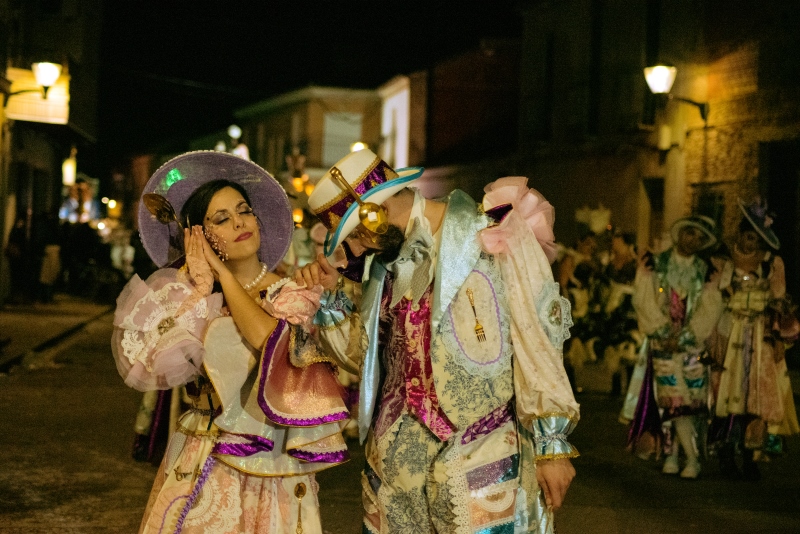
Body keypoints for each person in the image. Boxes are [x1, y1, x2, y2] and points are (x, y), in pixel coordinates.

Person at [296, 149, 578, 533]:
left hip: (483, 450)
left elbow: (536, 338)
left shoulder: (494, 233)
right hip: (397, 467)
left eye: (357, 234)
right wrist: (330, 300)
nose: (357, 249)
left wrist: (552, 444)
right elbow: (366, 359)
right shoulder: (382, 267)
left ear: (375, 213)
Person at [111, 151, 350, 533]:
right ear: (199, 236)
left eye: (244, 211)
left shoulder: (292, 291)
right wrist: (198, 291)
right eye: (221, 218)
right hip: (198, 446)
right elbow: (156, 363)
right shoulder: (193, 296)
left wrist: (223, 275)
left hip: (268, 455)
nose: (240, 222)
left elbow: (267, 339)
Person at [709, 198, 799, 480]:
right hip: (731, 333)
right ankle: (726, 455)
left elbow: (778, 300)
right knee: (728, 395)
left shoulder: (771, 264)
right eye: (748, 237)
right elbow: (713, 300)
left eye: (757, 240)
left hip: (759, 336)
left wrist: (778, 332)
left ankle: (750, 457)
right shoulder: (723, 263)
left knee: (755, 398)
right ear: (740, 235)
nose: (751, 244)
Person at [627, 215, 722, 479]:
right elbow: (643, 299)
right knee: (672, 399)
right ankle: (682, 456)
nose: (693, 240)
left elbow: (711, 307)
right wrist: (663, 331)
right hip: (664, 343)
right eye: (690, 233)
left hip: (692, 346)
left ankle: (682, 456)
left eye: (700, 238)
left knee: (692, 401)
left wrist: (688, 336)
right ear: (680, 234)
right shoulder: (655, 264)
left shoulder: (707, 271)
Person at [557, 231, 601, 393]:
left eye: (593, 244)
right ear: (579, 242)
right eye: (588, 243)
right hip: (574, 302)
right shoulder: (570, 258)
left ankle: (576, 380)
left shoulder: (591, 261)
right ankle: (570, 382)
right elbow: (563, 283)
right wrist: (567, 305)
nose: (591, 247)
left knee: (582, 338)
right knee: (571, 340)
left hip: (585, 302)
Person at [597, 231, 640, 397]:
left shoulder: (634, 261)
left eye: (616, 239)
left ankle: (630, 386)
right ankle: (615, 385)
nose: (613, 242)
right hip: (612, 306)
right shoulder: (610, 261)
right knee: (613, 344)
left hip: (628, 306)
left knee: (629, 342)